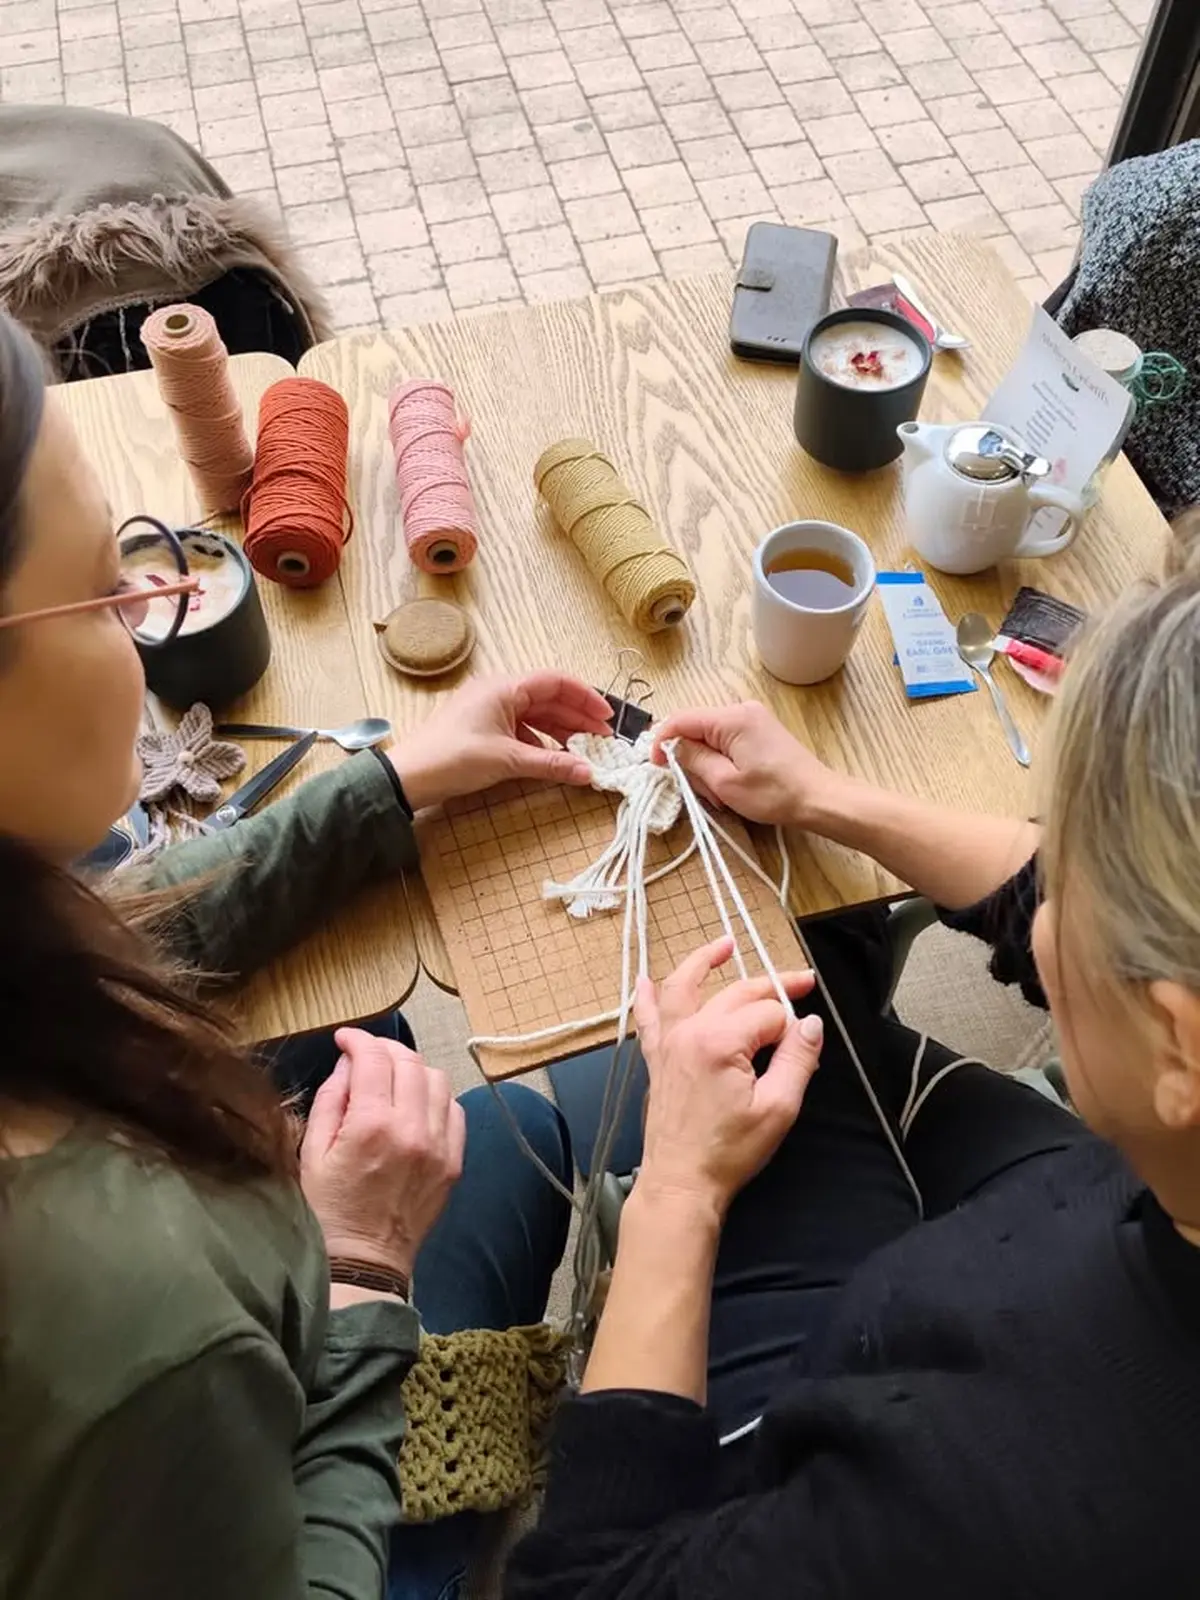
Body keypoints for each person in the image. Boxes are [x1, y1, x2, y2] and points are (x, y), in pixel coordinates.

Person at [0, 305, 610, 1600]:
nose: (152, 614)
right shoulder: (130, 1329)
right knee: (538, 1129)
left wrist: (390, 784)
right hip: (258, 1458)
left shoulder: (30, 933)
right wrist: (364, 1270)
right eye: (113, 592)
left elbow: (121, 932)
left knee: (437, 1089)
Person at [506, 582, 1200, 1598]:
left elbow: (582, 1586)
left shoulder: (981, 1500)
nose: (1044, 898)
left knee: (789, 1011)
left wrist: (679, 1193)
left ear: (1179, 1038)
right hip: (1083, 1207)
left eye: (1077, 866)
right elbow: (1058, 903)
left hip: (864, 1399)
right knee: (818, 970)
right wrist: (822, 798)